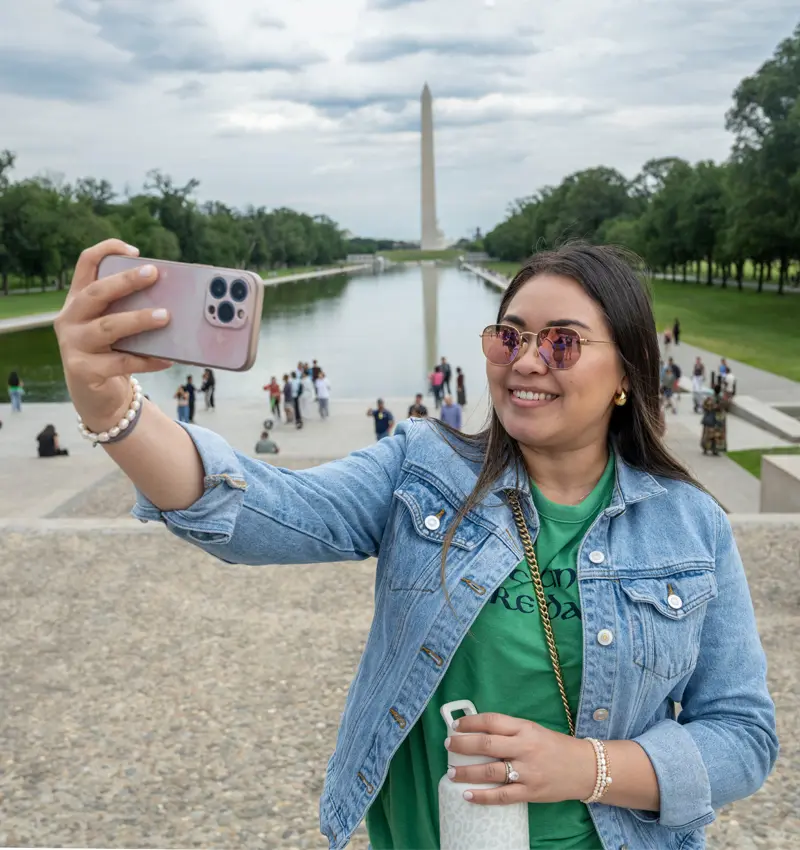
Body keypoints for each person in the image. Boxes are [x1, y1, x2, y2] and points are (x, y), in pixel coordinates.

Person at [54, 239, 778, 850]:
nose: (526, 360)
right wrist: (112, 408)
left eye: (561, 341)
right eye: (509, 335)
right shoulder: (421, 470)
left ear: (625, 372)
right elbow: (260, 511)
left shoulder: (690, 525)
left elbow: (743, 737)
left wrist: (584, 767)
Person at [701, 385, 728, 456]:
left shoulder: (709, 399)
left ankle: (706, 448)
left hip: (710, 419)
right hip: (718, 420)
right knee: (717, 435)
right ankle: (715, 450)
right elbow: (724, 408)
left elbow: (704, 406)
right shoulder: (721, 400)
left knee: (708, 435)